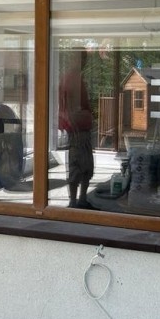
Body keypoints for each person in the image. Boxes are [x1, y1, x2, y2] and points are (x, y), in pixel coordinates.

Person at [58, 50, 95, 209]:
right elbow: (69, 106)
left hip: (79, 128)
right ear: (74, 58)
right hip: (77, 130)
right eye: (82, 58)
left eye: (85, 59)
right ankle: (75, 203)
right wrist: (74, 125)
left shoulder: (74, 77)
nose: (84, 62)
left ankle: (81, 200)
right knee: (78, 165)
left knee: (85, 166)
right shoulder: (71, 79)